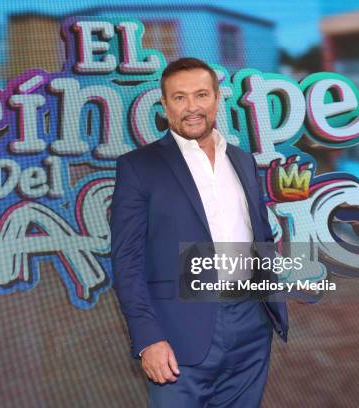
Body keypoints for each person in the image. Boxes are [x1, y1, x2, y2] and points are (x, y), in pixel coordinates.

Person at [110, 57, 288, 407]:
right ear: (164, 105)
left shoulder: (241, 159)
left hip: (251, 325)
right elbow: (127, 261)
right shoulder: (138, 166)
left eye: (201, 95)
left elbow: (260, 237)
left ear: (217, 98)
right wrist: (148, 338)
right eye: (179, 98)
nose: (192, 107)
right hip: (178, 335)